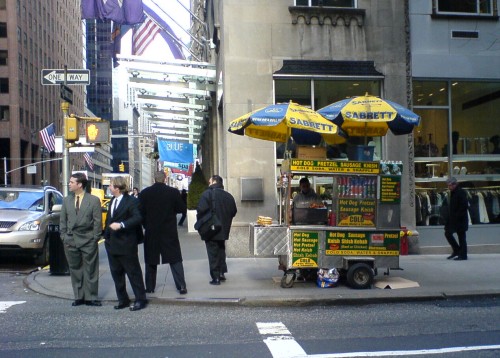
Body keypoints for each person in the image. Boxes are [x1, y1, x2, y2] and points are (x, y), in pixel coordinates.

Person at [139, 171, 188, 294]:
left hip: (151, 230)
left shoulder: (145, 193)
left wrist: (146, 225)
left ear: (154, 178)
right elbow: (182, 209)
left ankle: (150, 287)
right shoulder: (173, 192)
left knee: (150, 259)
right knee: (175, 258)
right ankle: (181, 285)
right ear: (165, 179)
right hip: (169, 230)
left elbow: (140, 213)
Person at [104, 176, 147, 311]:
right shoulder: (112, 200)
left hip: (127, 243)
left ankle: (140, 299)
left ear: (117, 187)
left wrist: (122, 224)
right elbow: (109, 219)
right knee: (116, 273)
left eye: (110, 185)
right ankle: (123, 299)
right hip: (112, 243)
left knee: (133, 272)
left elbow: (138, 218)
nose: (109, 188)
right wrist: (106, 237)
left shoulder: (132, 201)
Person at [59, 172, 102, 307]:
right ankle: (79, 296)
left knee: (91, 270)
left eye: (72, 182)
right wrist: (64, 237)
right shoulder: (66, 200)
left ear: (79, 184)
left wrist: (95, 238)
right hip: (71, 241)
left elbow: (97, 222)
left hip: (88, 240)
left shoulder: (93, 200)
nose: (69, 184)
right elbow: (63, 221)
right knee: (75, 269)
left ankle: (91, 297)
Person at [196, 175, 237, 285]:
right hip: (224, 229)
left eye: (210, 181)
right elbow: (233, 211)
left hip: (211, 228)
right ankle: (222, 273)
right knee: (221, 249)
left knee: (212, 252)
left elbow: (200, 210)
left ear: (214, 182)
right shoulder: (228, 196)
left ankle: (216, 277)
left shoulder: (207, 194)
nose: (208, 183)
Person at [443, 177, 469, 261]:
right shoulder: (453, 192)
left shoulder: (461, 192)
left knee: (461, 237)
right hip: (453, 219)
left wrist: (457, 216)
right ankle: (457, 250)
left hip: (460, 219)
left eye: (449, 185)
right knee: (447, 233)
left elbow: (464, 206)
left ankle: (463, 255)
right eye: (448, 185)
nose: (448, 187)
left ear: (454, 184)